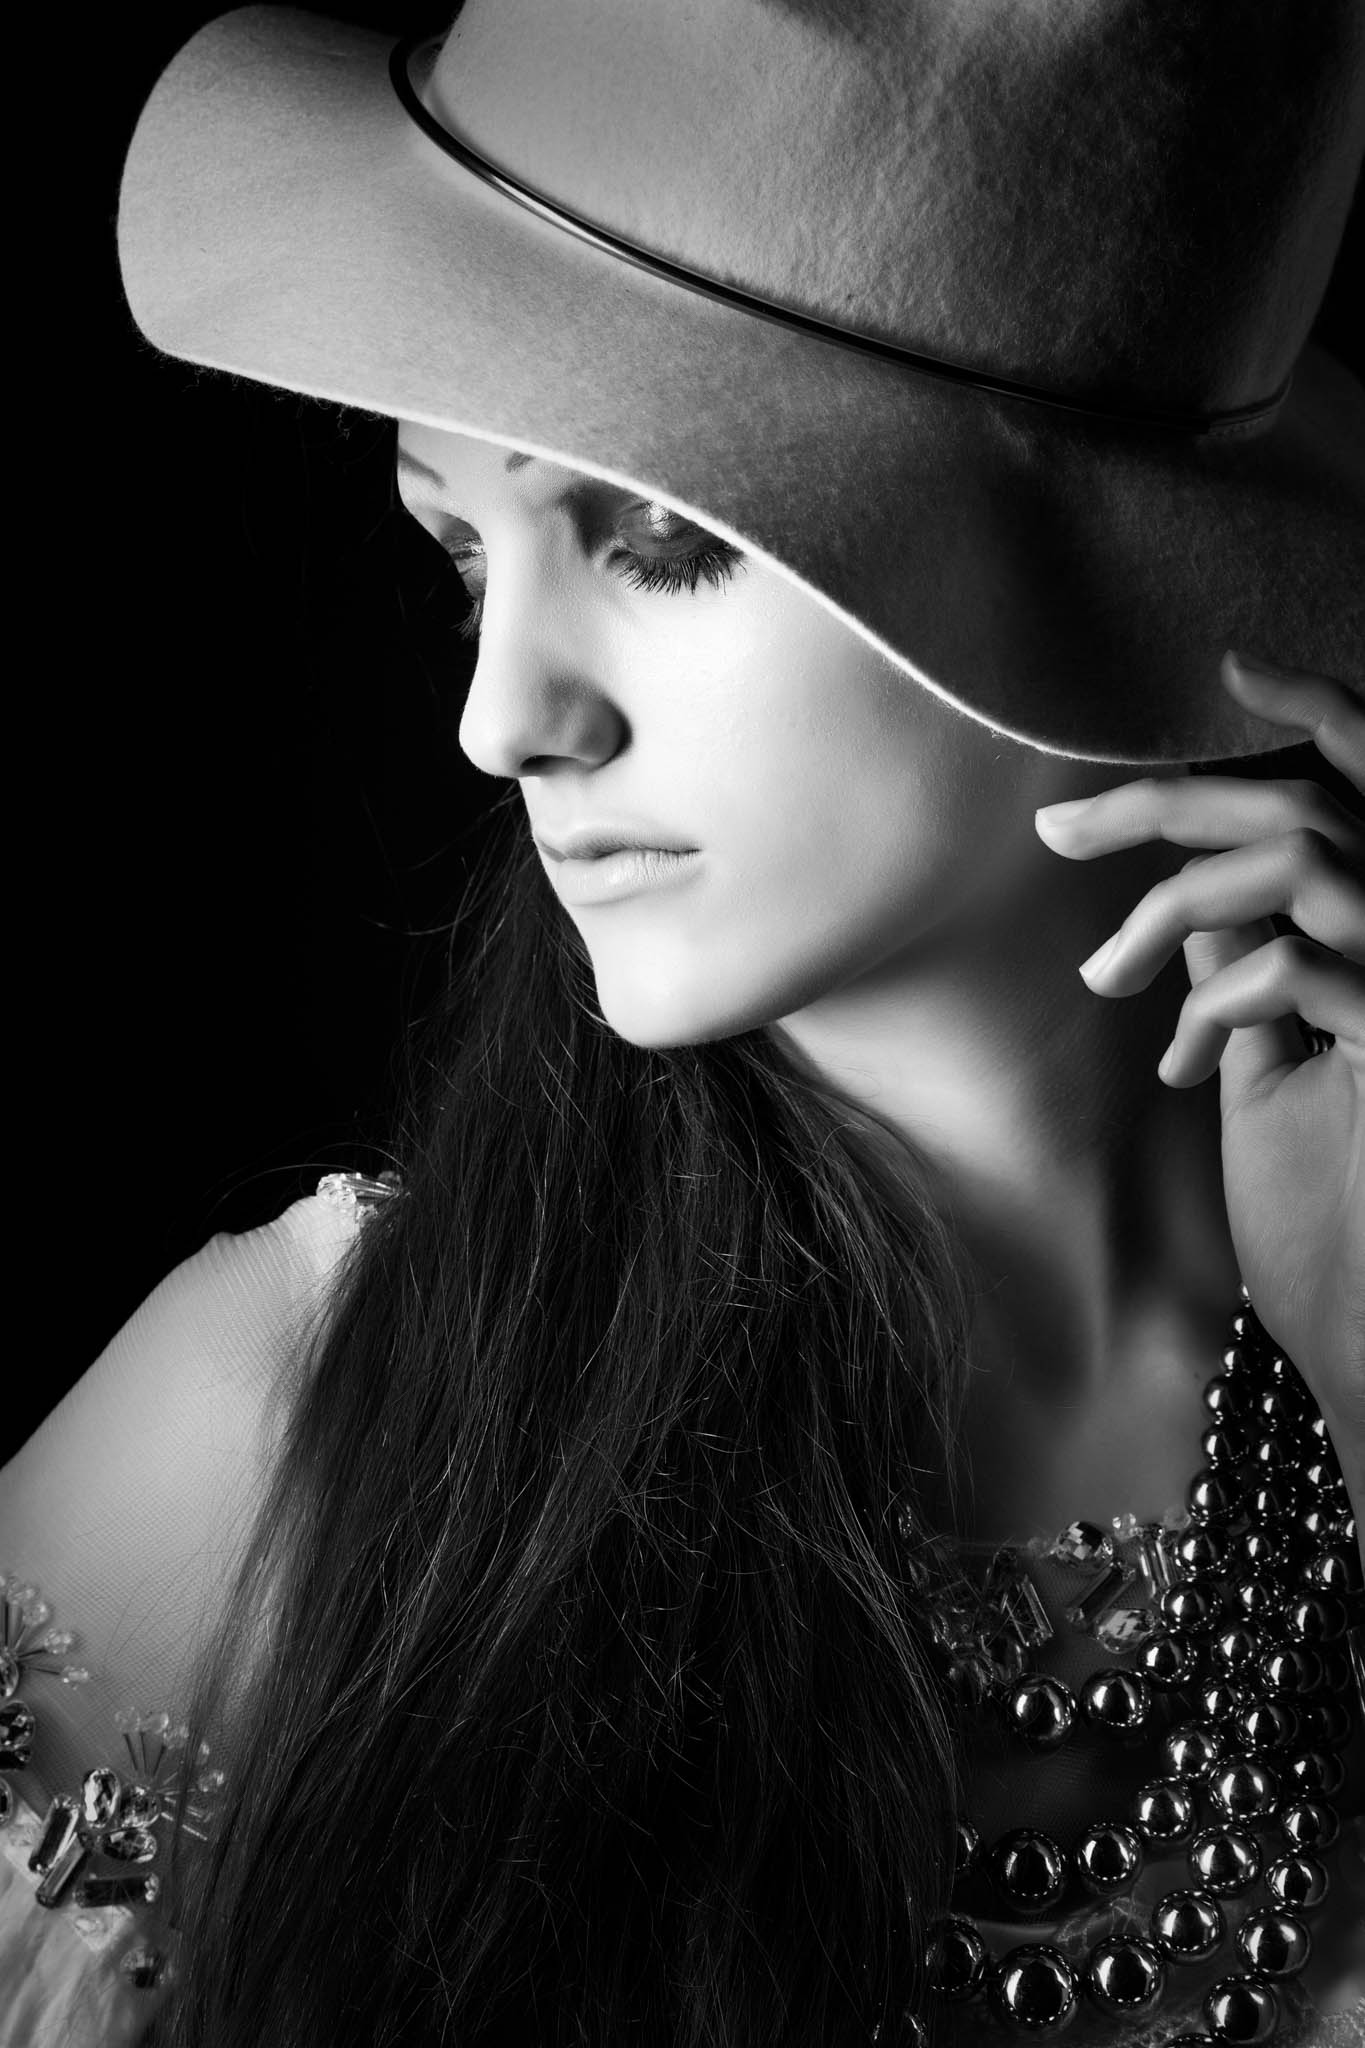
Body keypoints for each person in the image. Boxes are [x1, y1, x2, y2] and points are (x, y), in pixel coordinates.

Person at [2, 2, 1363, 2043]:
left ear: (1098, 573)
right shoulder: (288, 1431)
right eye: (463, 551)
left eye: (659, 540)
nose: (502, 715)